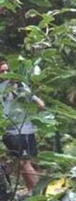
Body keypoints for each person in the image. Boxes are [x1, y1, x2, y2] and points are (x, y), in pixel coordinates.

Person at [0, 60, 46, 192]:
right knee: (22, 163)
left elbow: (38, 103)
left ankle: (38, 195)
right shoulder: (12, 86)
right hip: (10, 131)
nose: (5, 73)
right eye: (2, 71)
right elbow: (39, 104)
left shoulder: (18, 85)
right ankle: (32, 191)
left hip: (22, 129)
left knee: (25, 163)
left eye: (7, 70)